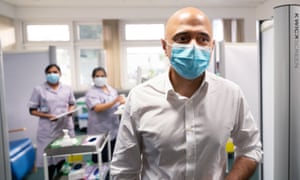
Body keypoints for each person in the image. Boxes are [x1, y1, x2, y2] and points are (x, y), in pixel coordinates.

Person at [111, 7, 262, 180]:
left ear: (211, 46)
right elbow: (124, 170)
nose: (193, 47)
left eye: (202, 39)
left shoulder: (230, 94)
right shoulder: (139, 98)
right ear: (164, 46)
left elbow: (251, 148)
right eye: (183, 38)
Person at [28, 64, 76, 179]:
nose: (52, 74)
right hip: (47, 129)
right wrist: (47, 115)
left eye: (55, 72)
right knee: (49, 159)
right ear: (46, 75)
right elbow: (32, 110)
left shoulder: (67, 88)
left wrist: (70, 111)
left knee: (64, 156)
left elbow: (72, 103)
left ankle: (61, 176)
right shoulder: (39, 89)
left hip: (64, 126)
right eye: (49, 72)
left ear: (60, 74)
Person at [85, 67, 125, 163]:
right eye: (97, 76)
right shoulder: (91, 92)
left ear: (106, 77)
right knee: (100, 159)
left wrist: (122, 103)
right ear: (93, 78)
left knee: (112, 156)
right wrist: (114, 101)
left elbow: (116, 104)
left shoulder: (111, 90)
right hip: (99, 130)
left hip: (113, 128)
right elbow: (97, 108)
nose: (100, 78)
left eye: (102, 76)